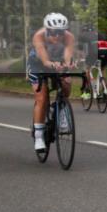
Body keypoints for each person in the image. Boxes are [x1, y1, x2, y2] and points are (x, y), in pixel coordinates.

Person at [28, 13, 76, 151]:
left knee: (66, 86)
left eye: (61, 32)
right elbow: (45, 61)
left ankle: (60, 109)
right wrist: (52, 64)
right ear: (47, 30)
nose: (57, 36)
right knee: (41, 98)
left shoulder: (69, 37)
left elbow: (67, 56)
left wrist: (67, 65)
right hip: (38, 63)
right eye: (54, 32)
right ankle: (38, 136)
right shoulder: (39, 36)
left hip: (57, 61)